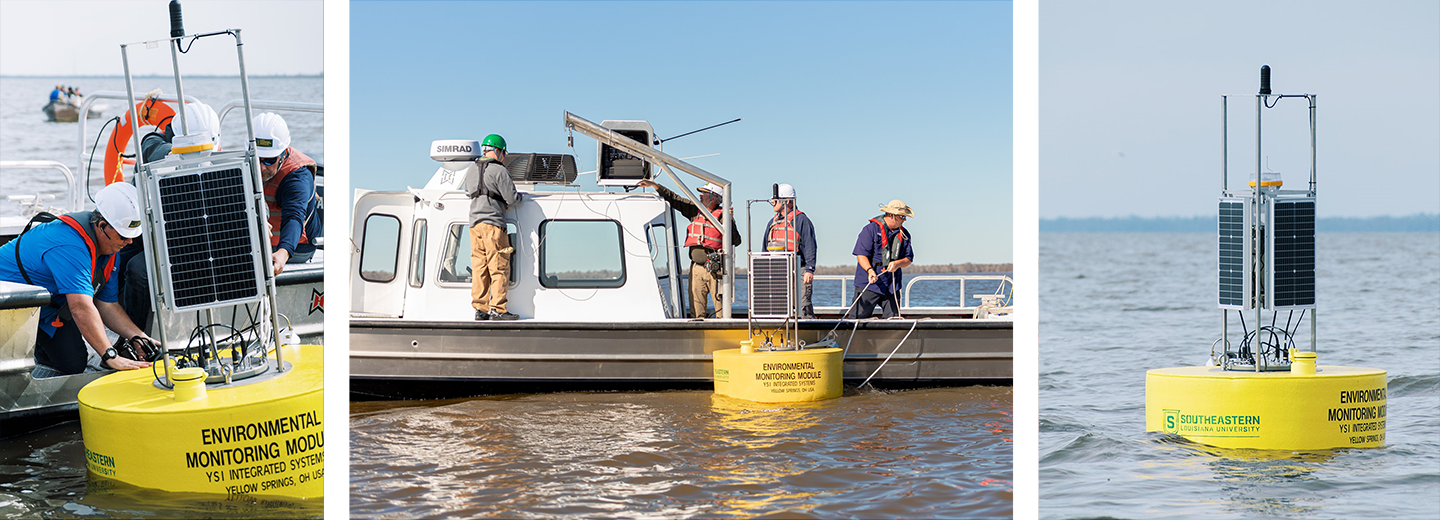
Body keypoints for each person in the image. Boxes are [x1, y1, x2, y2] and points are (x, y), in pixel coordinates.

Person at [0, 183, 156, 377]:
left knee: (73, 363)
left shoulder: (110, 247)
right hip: (11, 301)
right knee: (72, 363)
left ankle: (39, 343)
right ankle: (33, 343)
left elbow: (107, 305)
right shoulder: (70, 245)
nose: (129, 242)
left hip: (48, 306)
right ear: (102, 226)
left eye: (133, 236)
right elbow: (80, 307)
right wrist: (110, 355)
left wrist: (138, 336)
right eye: (124, 235)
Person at [116, 101, 223, 333]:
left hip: (187, 240)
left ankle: (138, 337)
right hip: (148, 230)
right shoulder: (154, 145)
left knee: (140, 270)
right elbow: (154, 149)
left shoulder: (222, 166)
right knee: (114, 260)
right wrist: (185, 151)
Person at [636, 179, 742, 318]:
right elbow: (675, 200)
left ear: (714, 198)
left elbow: (736, 240)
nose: (700, 196)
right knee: (697, 312)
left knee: (722, 312)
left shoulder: (723, 216)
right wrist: (656, 186)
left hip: (717, 270)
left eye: (704, 194)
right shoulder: (695, 211)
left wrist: (730, 220)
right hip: (697, 268)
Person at [253, 112, 324, 275]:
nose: (262, 167)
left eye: (270, 160)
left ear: (283, 153)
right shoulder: (245, 164)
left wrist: (283, 253)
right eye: (257, 159)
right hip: (258, 243)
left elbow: (294, 217)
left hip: (294, 248)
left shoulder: (297, 177)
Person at [465, 134, 521, 320]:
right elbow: (512, 199)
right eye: (503, 153)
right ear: (498, 151)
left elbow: (468, 192)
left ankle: (480, 310)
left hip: (475, 225)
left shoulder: (472, 169)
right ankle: (498, 309)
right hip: (493, 225)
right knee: (499, 267)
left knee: (479, 268)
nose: (504, 157)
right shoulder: (499, 171)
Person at [846, 199, 915, 319]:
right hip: (869, 282)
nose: (905, 220)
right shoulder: (870, 230)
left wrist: (897, 264)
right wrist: (870, 270)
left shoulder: (905, 234)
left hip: (891, 285)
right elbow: (861, 255)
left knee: (894, 321)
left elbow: (908, 259)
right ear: (893, 216)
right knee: (857, 319)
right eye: (902, 217)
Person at [763, 183, 817, 318]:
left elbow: (810, 245)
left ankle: (808, 331)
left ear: (786, 201)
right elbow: (765, 247)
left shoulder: (801, 220)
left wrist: (809, 270)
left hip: (799, 269)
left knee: (803, 304)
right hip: (777, 271)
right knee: (779, 307)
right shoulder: (772, 222)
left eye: (775, 200)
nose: (772, 203)